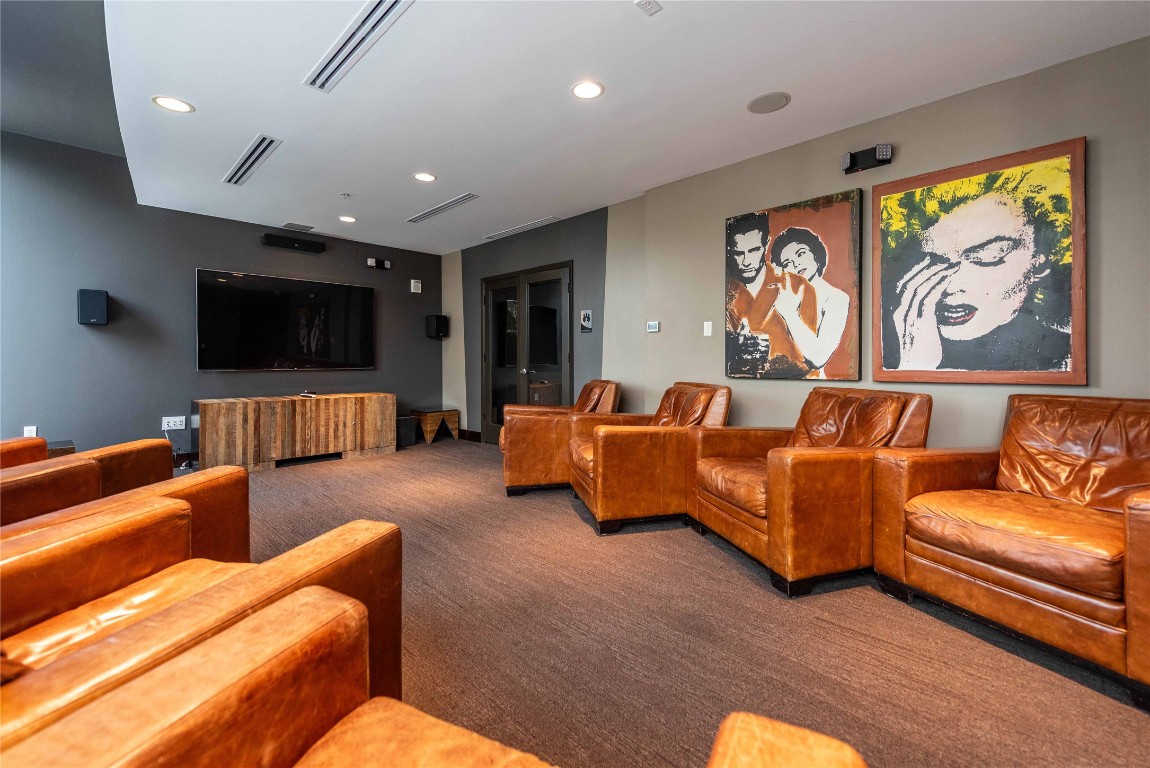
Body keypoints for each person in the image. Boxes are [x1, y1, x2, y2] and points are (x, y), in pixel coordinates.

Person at [881, 160, 1072, 371]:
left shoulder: (1062, 361)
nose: (950, 286)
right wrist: (915, 364)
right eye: (937, 261)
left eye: (986, 256)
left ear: (1038, 262)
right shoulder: (891, 353)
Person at [724, 212, 818, 378]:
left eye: (753, 250)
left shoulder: (797, 286)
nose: (746, 261)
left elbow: (812, 356)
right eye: (739, 253)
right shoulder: (729, 292)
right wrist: (738, 346)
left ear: (766, 246)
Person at [768, 227, 850, 378]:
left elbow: (819, 357)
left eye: (801, 254)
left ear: (815, 254)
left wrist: (789, 313)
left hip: (814, 382)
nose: (796, 264)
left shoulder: (836, 298)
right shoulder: (783, 296)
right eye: (787, 262)